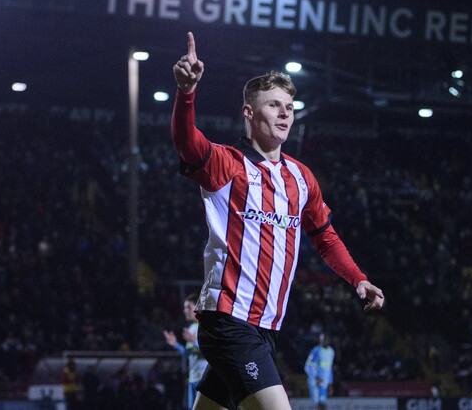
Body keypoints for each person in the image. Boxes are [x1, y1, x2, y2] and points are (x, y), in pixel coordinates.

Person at [171, 31, 385, 410]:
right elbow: (188, 143)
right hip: (229, 321)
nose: (286, 112)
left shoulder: (301, 178)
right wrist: (187, 93)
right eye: (274, 105)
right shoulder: (227, 163)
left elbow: (325, 237)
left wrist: (359, 278)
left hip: (265, 327)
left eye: (290, 105)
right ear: (250, 113)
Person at [165, 293, 210, 409]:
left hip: (204, 379)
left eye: (188, 307)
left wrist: (195, 341)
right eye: (185, 308)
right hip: (193, 378)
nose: (185, 311)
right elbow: (190, 354)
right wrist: (176, 345)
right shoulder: (191, 328)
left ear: (198, 307)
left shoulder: (205, 327)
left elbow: (211, 351)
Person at [304, 333, 335, 410]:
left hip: (324, 382)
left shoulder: (331, 352)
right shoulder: (316, 351)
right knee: (318, 404)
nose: (323, 341)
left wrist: (330, 383)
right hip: (315, 382)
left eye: (325, 339)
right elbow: (307, 367)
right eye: (322, 339)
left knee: (323, 404)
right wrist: (316, 377)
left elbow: (329, 368)